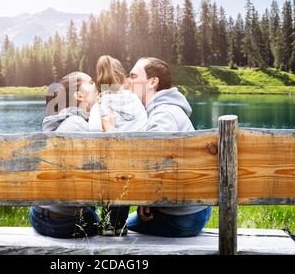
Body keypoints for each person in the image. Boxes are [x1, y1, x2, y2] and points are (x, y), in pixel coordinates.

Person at [125, 57, 212, 237]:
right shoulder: (166, 110)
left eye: (133, 76)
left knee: (116, 228)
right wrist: (148, 201)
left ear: (152, 82)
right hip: (192, 209)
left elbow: (155, 164)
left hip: (182, 217)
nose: (128, 81)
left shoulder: (163, 114)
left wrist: (147, 200)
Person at [29, 72, 101, 238]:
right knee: (105, 222)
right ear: (79, 95)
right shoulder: (79, 126)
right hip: (64, 224)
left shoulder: (59, 122)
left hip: (37, 215)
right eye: (90, 82)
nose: (95, 85)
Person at [88, 55, 148, 236]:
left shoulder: (100, 104)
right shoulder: (135, 101)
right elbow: (144, 127)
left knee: (110, 169)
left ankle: (109, 224)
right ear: (122, 77)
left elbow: (93, 131)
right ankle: (118, 224)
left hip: (109, 170)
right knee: (125, 170)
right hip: (134, 169)